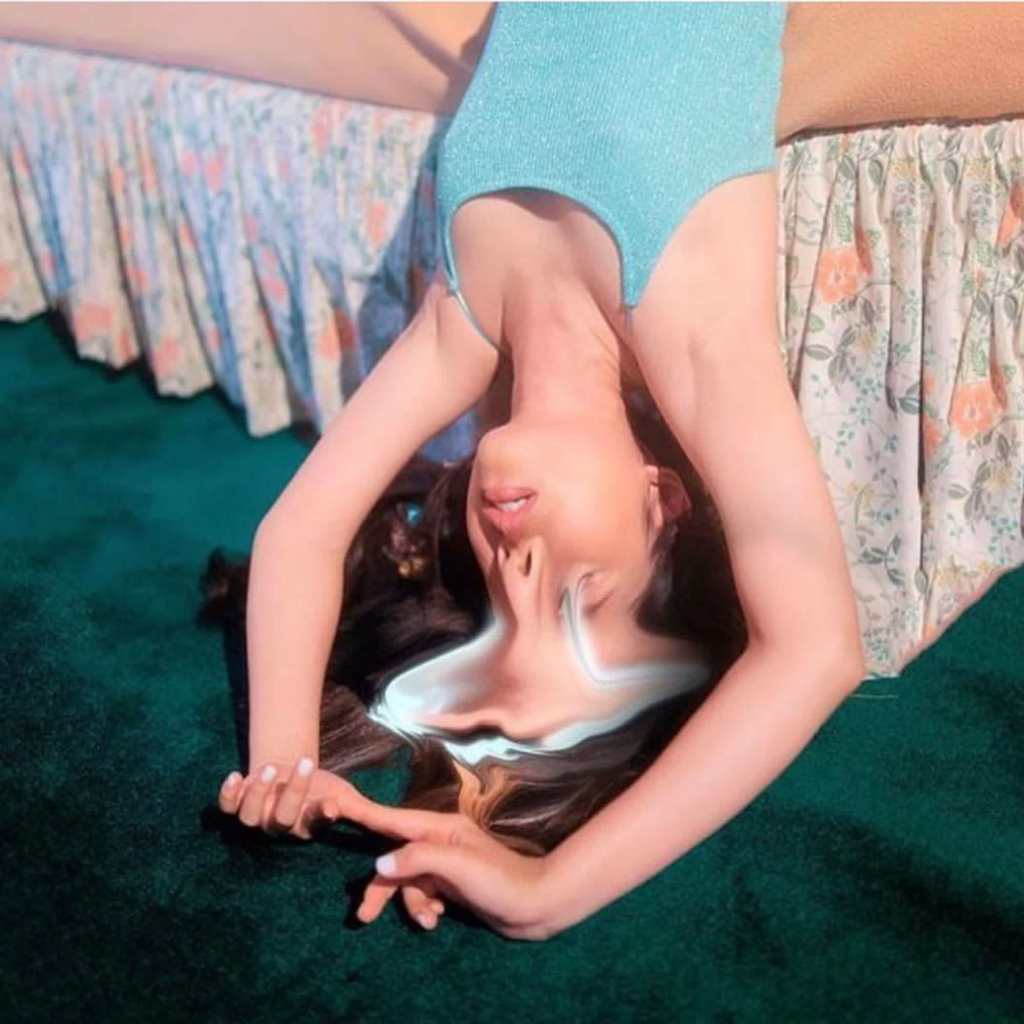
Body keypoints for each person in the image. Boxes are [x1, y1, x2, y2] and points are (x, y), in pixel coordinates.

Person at [215, 1, 866, 941]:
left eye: (499, 609)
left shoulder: (463, 324)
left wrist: (286, 762)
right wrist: (547, 895)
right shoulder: (693, 338)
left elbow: (300, 531)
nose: (517, 571)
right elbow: (815, 649)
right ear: (663, 501)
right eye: (579, 595)